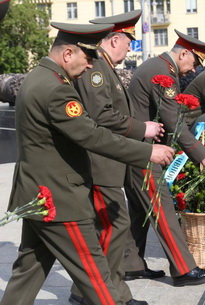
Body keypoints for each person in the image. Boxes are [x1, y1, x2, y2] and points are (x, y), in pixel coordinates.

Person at [0, 22, 175, 305]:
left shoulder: (37, 78)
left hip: (37, 194)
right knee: (95, 278)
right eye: (87, 58)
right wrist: (147, 153)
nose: (90, 65)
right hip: (60, 200)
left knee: (28, 271)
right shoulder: (57, 89)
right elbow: (92, 136)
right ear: (68, 54)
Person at [68, 11, 165, 305]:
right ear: (114, 39)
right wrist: (141, 128)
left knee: (110, 228)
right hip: (100, 163)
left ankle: (107, 292)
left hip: (108, 160)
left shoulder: (104, 66)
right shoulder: (97, 67)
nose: (130, 49)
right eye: (128, 43)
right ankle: (98, 293)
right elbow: (101, 114)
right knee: (114, 226)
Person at [125, 30, 205, 286]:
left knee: (139, 210)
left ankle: (131, 265)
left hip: (137, 150)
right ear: (184, 53)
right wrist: (202, 154)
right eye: (195, 62)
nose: (193, 70)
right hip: (145, 153)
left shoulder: (159, 66)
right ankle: (183, 269)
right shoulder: (163, 73)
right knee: (162, 209)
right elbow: (173, 122)